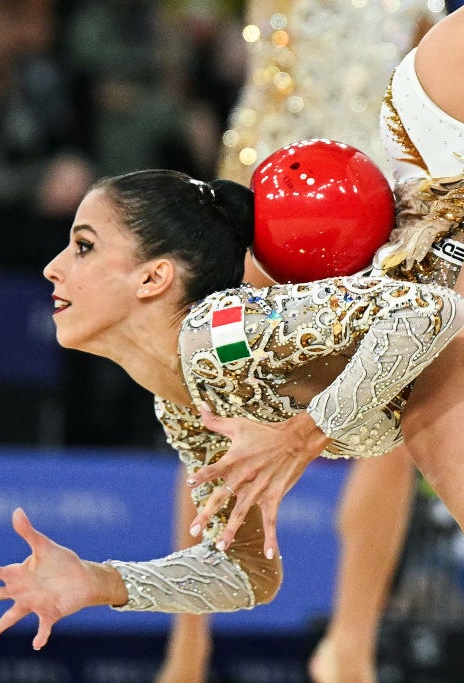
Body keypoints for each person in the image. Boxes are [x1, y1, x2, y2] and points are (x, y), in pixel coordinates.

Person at [0, 168, 464, 649]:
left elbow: (430, 310)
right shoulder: (183, 404)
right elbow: (246, 573)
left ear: (154, 278)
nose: (52, 268)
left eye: (83, 246)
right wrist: (102, 581)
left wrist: (302, 436)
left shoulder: (221, 335)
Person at [161, 1, 443, 680]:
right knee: (213, 402)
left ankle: (349, 642)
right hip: (271, 174)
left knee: (396, 408)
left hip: (380, 186)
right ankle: (188, 642)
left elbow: (434, 61)